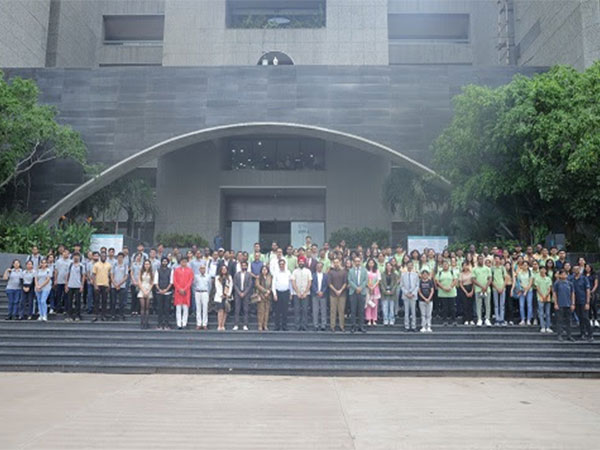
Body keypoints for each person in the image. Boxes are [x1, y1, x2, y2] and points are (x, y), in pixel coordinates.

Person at [571, 265, 593, 342]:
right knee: (580, 318)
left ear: (580, 270)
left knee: (585, 318)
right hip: (576, 302)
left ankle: (590, 334)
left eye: (577, 269)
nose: (576, 270)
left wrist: (587, 302)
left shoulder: (584, 278)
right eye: (574, 269)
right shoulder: (572, 279)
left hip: (583, 301)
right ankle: (582, 333)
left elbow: (587, 291)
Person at [553, 269, 575, 342]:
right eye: (562, 274)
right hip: (560, 304)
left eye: (565, 274)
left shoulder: (570, 283)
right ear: (559, 275)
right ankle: (559, 335)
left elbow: (572, 294)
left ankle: (569, 335)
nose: (563, 275)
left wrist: (573, 303)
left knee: (569, 321)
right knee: (559, 321)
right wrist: (555, 303)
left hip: (568, 304)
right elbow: (555, 294)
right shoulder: (557, 283)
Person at [291, 256, 312, 331]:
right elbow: (293, 282)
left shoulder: (308, 271)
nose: (301, 263)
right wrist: (298, 292)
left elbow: (309, 282)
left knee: (305, 310)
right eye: (300, 262)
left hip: (306, 294)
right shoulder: (295, 271)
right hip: (296, 294)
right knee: (296, 310)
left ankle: (304, 326)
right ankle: (297, 326)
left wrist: (305, 292)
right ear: (298, 262)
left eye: (302, 262)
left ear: (304, 262)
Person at [347, 256, 368, 333]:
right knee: (353, 310)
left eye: (359, 261)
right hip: (353, 292)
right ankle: (353, 326)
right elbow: (350, 280)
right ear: (353, 262)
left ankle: (361, 326)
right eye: (356, 261)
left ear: (361, 262)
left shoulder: (364, 270)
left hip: (362, 292)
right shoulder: (350, 271)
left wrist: (360, 288)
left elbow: (366, 280)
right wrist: (356, 288)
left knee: (361, 310)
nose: (357, 263)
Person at [172, 257, 194, 330]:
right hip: (178, 292)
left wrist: (184, 289)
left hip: (186, 292)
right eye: (182, 262)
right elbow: (174, 281)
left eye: (185, 262)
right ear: (180, 262)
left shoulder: (190, 271)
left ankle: (184, 323)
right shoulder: (176, 270)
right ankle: (179, 323)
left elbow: (190, 281)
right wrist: (179, 289)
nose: (183, 263)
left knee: (185, 308)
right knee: (178, 308)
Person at [328, 257, 347, 332]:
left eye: (337, 262)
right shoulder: (330, 272)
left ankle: (341, 326)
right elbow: (329, 283)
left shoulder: (344, 272)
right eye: (334, 262)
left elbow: (345, 283)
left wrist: (340, 290)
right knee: (333, 310)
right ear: (333, 263)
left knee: (341, 311)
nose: (336, 264)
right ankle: (332, 326)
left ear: (340, 263)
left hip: (342, 294)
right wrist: (336, 290)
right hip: (333, 294)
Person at [232, 261, 253, 331]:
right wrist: (239, 292)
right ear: (240, 266)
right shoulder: (236, 274)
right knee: (237, 309)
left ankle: (245, 324)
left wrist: (244, 293)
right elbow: (234, 284)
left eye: (245, 265)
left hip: (246, 294)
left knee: (246, 310)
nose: (243, 267)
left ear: (247, 267)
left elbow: (250, 285)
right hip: (238, 294)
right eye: (242, 265)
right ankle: (236, 324)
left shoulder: (249, 275)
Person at [472, 256, 492, 327]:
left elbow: (490, 278)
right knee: (478, 305)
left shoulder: (487, 269)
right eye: (479, 259)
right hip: (478, 289)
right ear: (477, 260)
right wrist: (481, 286)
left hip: (487, 290)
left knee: (487, 305)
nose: (481, 260)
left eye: (482, 259)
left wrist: (485, 287)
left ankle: (487, 319)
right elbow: (473, 279)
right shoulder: (474, 269)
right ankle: (479, 319)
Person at [272, 258, 292, 332]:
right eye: (280, 264)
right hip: (278, 293)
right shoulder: (276, 273)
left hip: (286, 293)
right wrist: (274, 294)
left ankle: (284, 326)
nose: (281, 265)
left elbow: (290, 283)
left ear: (285, 265)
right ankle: (277, 326)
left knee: (285, 311)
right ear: (278, 265)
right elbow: (273, 284)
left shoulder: (288, 272)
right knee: (277, 311)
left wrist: (291, 293)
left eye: (283, 264)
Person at [64, 253, 85, 321]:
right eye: (75, 256)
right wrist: (66, 285)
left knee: (77, 301)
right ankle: (69, 315)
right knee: (69, 301)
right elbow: (67, 275)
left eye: (77, 256)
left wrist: (82, 285)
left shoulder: (82, 266)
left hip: (78, 285)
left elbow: (83, 276)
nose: (76, 258)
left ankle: (77, 315)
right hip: (70, 285)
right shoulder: (70, 265)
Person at [436, 260, 457, 326]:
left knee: (452, 307)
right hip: (443, 293)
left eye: (446, 264)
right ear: (442, 266)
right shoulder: (439, 272)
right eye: (444, 264)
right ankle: (444, 320)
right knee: (444, 307)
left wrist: (450, 287)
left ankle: (453, 320)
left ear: (449, 265)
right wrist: (443, 288)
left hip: (451, 292)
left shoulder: (452, 272)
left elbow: (455, 280)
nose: (445, 266)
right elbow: (437, 281)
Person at [154, 257, 173, 330]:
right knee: (160, 308)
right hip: (159, 292)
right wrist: (159, 289)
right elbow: (156, 282)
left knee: (167, 308)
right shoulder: (158, 270)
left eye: (166, 261)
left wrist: (166, 290)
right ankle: (159, 324)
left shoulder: (170, 270)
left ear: (167, 262)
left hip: (168, 292)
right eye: (163, 261)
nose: (164, 262)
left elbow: (171, 282)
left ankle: (167, 324)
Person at [92, 253, 112, 322]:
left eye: (105, 256)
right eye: (102, 256)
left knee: (104, 301)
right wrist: (95, 285)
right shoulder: (96, 264)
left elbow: (110, 276)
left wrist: (109, 285)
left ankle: (103, 315)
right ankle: (95, 315)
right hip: (98, 284)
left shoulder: (109, 265)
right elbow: (93, 275)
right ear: (100, 257)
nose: (103, 257)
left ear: (106, 257)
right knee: (96, 301)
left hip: (105, 285)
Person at [400, 261, 419, 331]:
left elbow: (417, 285)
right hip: (406, 295)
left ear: (413, 266)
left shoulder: (416, 275)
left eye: (411, 265)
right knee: (406, 312)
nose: (410, 266)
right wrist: (406, 293)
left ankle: (413, 326)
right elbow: (401, 285)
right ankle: (407, 326)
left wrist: (413, 293)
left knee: (413, 312)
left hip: (413, 295)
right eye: (408, 265)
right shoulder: (403, 275)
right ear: (406, 266)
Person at [110, 253, 128, 321]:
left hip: (122, 286)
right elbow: (111, 275)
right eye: (119, 257)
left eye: (121, 257)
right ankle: (113, 315)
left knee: (121, 302)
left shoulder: (125, 266)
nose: (120, 258)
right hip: (113, 286)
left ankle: (121, 314)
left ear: (123, 258)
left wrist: (119, 284)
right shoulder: (114, 265)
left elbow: (126, 276)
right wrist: (115, 284)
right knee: (113, 301)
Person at [311, 262, 328, 331]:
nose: (319, 268)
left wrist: (322, 292)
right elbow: (312, 284)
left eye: (320, 266)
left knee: (323, 310)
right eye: (318, 266)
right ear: (316, 267)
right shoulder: (313, 275)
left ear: (322, 267)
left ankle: (323, 325)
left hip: (323, 295)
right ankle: (316, 325)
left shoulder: (325, 275)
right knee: (315, 310)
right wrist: (317, 291)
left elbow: (326, 285)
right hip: (315, 294)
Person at [214, 265, 232, 331]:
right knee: (220, 310)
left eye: (225, 269)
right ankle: (219, 325)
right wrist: (221, 294)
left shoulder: (229, 277)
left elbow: (231, 286)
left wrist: (228, 294)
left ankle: (223, 325)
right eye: (222, 269)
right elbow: (217, 287)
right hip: (220, 297)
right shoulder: (217, 277)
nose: (224, 270)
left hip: (227, 296)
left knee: (225, 311)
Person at [515, 261, 534, 325]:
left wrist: (526, 290)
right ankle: (522, 319)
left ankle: (528, 319)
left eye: (526, 265)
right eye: (523, 265)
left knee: (529, 305)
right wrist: (523, 289)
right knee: (521, 305)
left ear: (528, 266)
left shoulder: (530, 273)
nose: (525, 266)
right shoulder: (519, 273)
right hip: (521, 290)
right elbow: (519, 282)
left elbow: (531, 283)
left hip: (529, 290)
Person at [193, 264, 211, 330]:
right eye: (201, 268)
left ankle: (204, 324)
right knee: (198, 308)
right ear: (199, 270)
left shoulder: (208, 277)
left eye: (203, 268)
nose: (202, 270)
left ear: (205, 269)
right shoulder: (196, 276)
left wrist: (207, 293)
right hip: (198, 292)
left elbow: (210, 286)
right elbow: (194, 285)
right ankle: (198, 323)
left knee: (205, 308)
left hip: (205, 292)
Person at [380, 262, 399, 326]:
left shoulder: (395, 275)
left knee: (391, 307)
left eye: (389, 265)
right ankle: (385, 319)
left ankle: (391, 320)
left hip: (392, 293)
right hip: (384, 292)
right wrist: (384, 291)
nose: (388, 267)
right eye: (387, 266)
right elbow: (381, 283)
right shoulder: (382, 274)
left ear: (391, 266)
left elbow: (396, 284)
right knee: (385, 307)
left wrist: (392, 290)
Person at [535, 266, 553, 333]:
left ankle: (548, 327)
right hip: (540, 297)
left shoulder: (548, 279)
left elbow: (549, 288)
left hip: (547, 297)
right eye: (541, 269)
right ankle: (542, 326)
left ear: (546, 270)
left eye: (544, 269)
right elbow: (537, 288)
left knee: (548, 313)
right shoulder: (537, 278)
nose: (542, 270)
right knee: (541, 313)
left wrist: (546, 295)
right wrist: (542, 296)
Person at [137, 259, 154, 329]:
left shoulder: (152, 273)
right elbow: (139, 282)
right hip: (142, 289)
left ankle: (146, 322)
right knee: (142, 307)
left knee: (147, 307)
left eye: (148, 264)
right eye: (145, 264)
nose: (147, 265)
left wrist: (148, 290)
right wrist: (143, 291)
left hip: (148, 289)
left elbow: (152, 282)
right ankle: (142, 322)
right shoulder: (141, 272)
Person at [255, 265, 273, 331]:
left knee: (267, 311)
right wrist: (265, 291)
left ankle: (265, 325)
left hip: (268, 296)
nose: (264, 271)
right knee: (261, 311)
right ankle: (260, 325)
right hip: (261, 295)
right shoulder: (258, 277)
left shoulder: (270, 277)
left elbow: (272, 285)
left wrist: (269, 291)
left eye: (265, 269)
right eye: (263, 269)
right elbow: (257, 285)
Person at [53, 249, 71, 314]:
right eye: (65, 253)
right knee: (58, 295)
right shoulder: (58, 261)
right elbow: (56, 271)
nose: (66, 254)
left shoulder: (70, 262)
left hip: (67, 282)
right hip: (59, 280)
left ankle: (66, 309)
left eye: (67, 253)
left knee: (66, 296)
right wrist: (55, 279)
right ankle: (58, 309)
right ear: (62, 253)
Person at [365, 258, 381, 326]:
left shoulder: (377, 271)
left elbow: (378, 280)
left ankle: (374, 319)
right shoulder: (365, 271)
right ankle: (368, 319)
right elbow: (365, 280)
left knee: (375, 305)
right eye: (370, 263)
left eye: (372, 263)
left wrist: (373, 287)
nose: (371, 264)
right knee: (368, 304)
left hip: (375, 289)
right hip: (367, 289)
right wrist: (369, 287)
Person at [491, 255, 507, 326]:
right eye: (495, 259)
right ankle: (497, 319)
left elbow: (506, 279)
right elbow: (491, 280)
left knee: (502, 305)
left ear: (500, 260)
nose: (497, 260)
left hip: (502, 288)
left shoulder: (503, 268)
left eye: (498, 259)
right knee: (496, 305)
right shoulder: (492, 269)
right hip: (495, 288)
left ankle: (502, 319)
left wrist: (502, 287)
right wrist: (497, 288)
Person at [584, 263, 599, 328]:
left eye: (588, 267)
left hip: (593, 292)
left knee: (594, 306)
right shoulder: (583, 275)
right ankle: (589, 319)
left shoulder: (594, 275)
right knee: (588, 307)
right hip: (585, 293)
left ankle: (595, 320)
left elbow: (596, 284)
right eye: (586, 267)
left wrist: (592, 291)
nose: (587, 268)